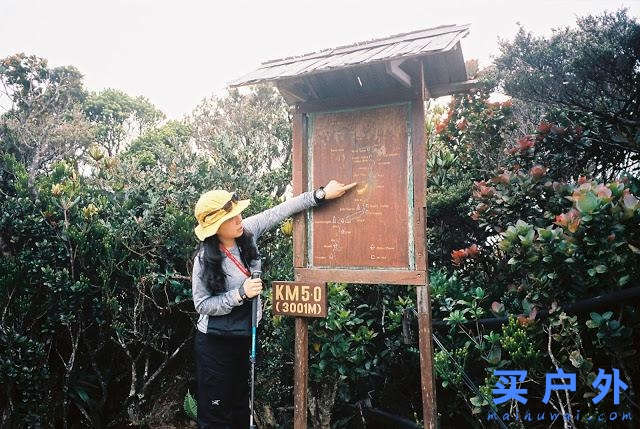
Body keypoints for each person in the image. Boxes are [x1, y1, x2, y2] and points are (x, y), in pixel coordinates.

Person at [191, 180, 357, 428]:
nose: (239, 219)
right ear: (215, 228)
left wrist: (321, 194)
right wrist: (240, 294)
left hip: (243, 335)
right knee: (216, 412)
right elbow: (202, 304)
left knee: (238, 406)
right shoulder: (205, 259)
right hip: (215, 342)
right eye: (231, 217)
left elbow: (280, 210)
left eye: (238, 213)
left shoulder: (247, 231)